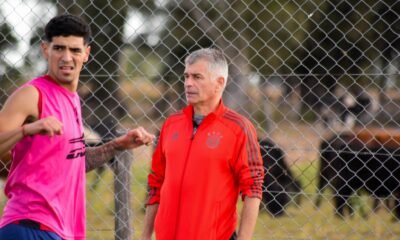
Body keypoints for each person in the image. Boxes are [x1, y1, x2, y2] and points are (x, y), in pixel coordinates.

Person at [0, 14, 155, 240]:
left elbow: (73, 162)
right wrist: (27, 130)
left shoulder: (71, 98)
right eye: (59, 48)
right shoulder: (31, 95)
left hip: (60, 230)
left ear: (86, 54)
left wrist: (117, 145)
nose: (66, 57)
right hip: (30, 227)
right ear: (45, 50)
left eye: (74, 50)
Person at [141, 48, 264, 240]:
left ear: (219, 83)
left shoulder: (239, 129)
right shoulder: (171, 125)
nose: (188, 83)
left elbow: (253, 189)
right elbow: (156, 183)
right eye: (186, 76)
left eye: (197, 77)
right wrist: (146, 236)